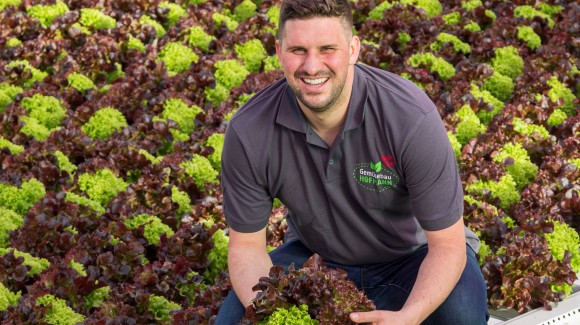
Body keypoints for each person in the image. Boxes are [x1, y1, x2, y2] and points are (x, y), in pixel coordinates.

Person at [215, 0, 489, 323]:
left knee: (460, 313)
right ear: (279, 51)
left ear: (354, 49)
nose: (312, 66)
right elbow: (247, 247)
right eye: (298, 50)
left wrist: (411, 316)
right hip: (318, 261)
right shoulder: (249, 131)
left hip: (412, 259)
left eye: (327, 49)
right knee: (235, 319)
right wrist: (277, 315)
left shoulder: (409, 117)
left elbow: (447, 245)